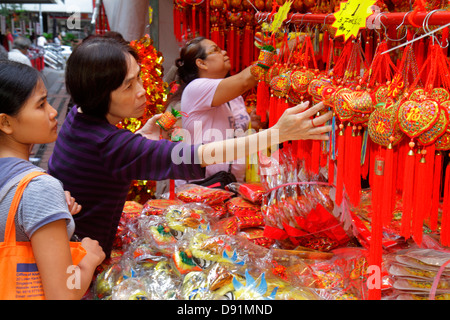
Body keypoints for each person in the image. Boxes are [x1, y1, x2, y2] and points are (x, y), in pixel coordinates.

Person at [48, 36, 333, 258]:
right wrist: (275, 134)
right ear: (99, 94)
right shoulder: (110, 144)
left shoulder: (78, 118)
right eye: (128, 85)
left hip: (77, 247)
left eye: (138, 78)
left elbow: (109, 160)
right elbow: (198, 154)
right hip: (80, 259)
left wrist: (144, 140)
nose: (141, 90)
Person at [0, 61, 105, 299]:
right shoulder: (39, 189)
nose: (53, 111)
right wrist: (89, 258)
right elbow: (64, 293)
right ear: (5, 123)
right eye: (40, 105)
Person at [174, 36, 263, 183]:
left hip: (232, 185)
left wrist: (251, 124)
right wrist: (277, 52)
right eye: (215, 50)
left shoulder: (234, 96)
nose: (224, 52)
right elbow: (245, 80)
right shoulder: (195, 89)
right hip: (201, 188)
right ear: (201, 63)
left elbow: (233, 130)